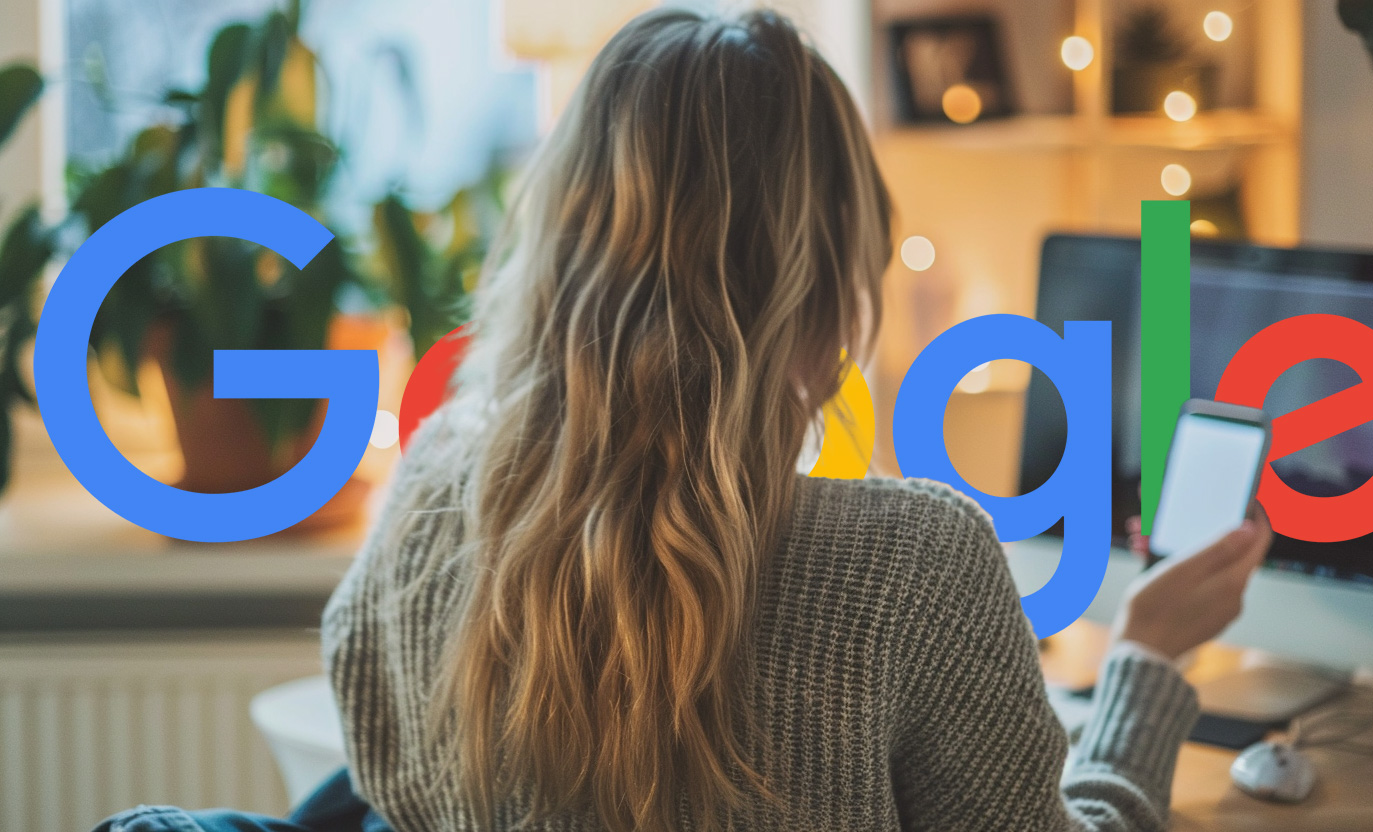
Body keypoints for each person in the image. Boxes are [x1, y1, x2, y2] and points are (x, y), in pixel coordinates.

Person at [93, 7, 1272, 832]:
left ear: (561, 256)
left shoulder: (432, 493)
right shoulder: (915, 564)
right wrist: (1142, 664)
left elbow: (389, 771)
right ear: (826, 298)